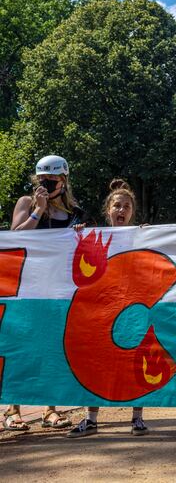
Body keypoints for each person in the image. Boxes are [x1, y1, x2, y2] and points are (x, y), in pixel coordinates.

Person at [4, 155, 84, 431]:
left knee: (52, 348)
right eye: (42, 180)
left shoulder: (74, 212)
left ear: (64, 181)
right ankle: (13, 410)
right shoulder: (27, 204)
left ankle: (50, 409)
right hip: (26, 288)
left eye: (51, 180)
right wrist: (38, 210)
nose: (46, 185)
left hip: (59, 289)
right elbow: (16, 235)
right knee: (21, 348)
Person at [67, 179, 149, 438]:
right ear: (108, 210)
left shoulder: (142, 235)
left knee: (135, 361)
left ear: (132, 212)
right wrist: (77, 234)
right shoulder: (95, 236)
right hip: (101, 311)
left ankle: (137, 418)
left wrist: (151, 236)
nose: (121, 210)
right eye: (117, 205)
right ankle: (91, 419)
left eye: (126, 206)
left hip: (133, 308)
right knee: (96, 365)